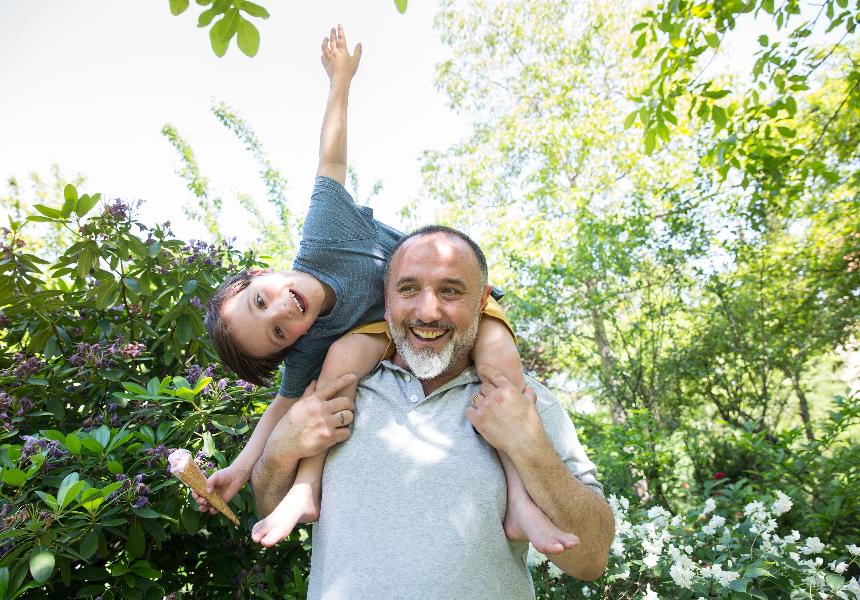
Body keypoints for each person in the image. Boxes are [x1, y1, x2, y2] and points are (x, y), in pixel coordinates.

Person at [198, 25, 576, 554]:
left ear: (260, 276)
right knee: (336, 370)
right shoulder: (315, 342)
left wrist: (340, 82)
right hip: (390, 328)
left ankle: (518, 500)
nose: (283, 313)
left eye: (263, 301)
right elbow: (281, 407)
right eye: (280, 333)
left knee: (499, 363)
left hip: (445, 305)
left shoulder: (325, 236)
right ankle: (306, 489)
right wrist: (241, 466)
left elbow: (331, 158)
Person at [251, 225, 616, 599]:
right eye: (408, 289)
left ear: (482, 301)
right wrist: (281, 449)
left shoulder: (522, 400)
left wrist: (529, 444)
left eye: (450, 291)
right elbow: (270, 506)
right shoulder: (339, 386)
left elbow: (590, 560)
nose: (428, 311)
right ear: (386, 298)